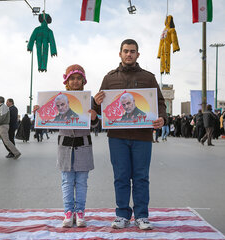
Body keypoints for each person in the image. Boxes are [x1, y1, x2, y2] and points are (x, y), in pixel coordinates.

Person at [94, 39, 166, 230]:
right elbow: (99, 106)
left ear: (138, 54)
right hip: (117, 137)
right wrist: (95, 101)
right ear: (120, 53)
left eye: (132, 51)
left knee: (141, 176)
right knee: (121, 176)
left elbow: (160, 103)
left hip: (142, 136)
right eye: (126, 51)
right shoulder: (109, 78)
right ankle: (122, 214)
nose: (129, 54)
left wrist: (162, 119)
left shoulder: (148, 78)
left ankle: (142, 215)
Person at [36, 64, 98, 228]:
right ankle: (68, 212)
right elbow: (48, 118)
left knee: (82, 182)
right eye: (72, 78)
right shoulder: (57, 99)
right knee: (67, 182)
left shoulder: (89, 99)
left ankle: (80, 212)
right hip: (64, 147)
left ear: (83, 81)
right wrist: (39, 111)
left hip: (83, 145)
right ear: (67, 80)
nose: (76, 81)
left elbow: (96, 124)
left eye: (79, 78)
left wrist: (93, 118)